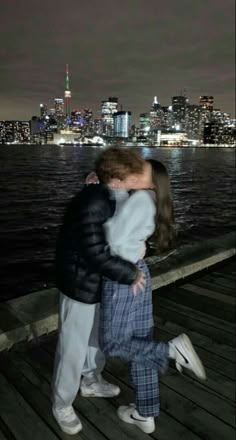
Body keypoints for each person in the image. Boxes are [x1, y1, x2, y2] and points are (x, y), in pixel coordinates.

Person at [97, 158, 206, 435]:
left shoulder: (140, 199)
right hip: (138, 271)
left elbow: (113, 239)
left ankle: (171, 351)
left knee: (112, 343)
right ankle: (145, 412)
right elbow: (130, 234)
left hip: (124, 274)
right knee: (139, 344)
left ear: (151, 178)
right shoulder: (151, 198)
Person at [52, 147, 150, 435]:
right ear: (116, 179)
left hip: (102, 283)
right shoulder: (92, 202)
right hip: (80, 283)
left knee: (96, 337)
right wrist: (130, 273)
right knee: (72, 346)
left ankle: (91, 379)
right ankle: (61, 403)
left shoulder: (117, 195)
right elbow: (94, 252)